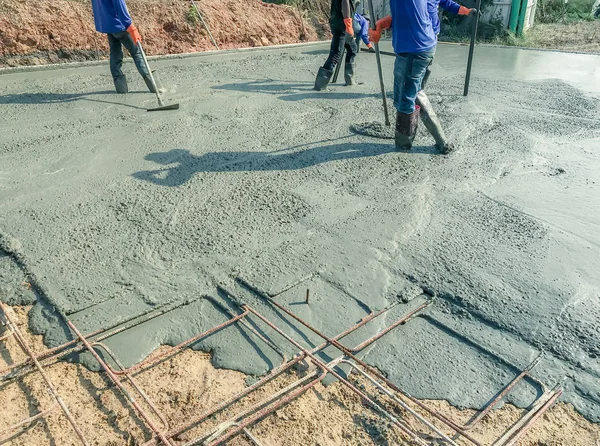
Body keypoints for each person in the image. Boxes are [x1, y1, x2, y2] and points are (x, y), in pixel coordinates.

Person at [369, 1, 453, 153]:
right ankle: (442, 142)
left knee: (406, 98)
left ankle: (403, 144)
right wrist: (382, 24)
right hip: (410, 47)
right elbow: (405, 14)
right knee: (410, 93)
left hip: (416, 49)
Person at [90, 0, 155, 94]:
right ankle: (153, 85)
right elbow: (119, 4)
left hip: (109, 25)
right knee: (136, 52)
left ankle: (121, 88)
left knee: (115, 53)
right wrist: (130, 27)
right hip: (120, 24)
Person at [422, 0, 477, 88]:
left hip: (432, 35)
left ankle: (417, 91)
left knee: (424, 64)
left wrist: (466, 11)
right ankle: (408, 92)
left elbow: (448, 3)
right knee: (410, 64)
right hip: (415, 33)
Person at [314, 0, 359, 90]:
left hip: (337, 21)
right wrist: (348, 24)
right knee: (335, 54)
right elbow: (345, 1)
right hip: (342, 24)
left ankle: (350, 80)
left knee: (352, 49)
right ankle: (320, 86)